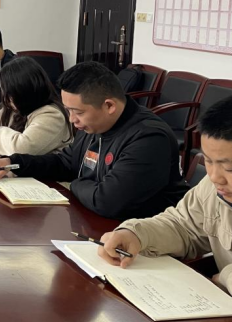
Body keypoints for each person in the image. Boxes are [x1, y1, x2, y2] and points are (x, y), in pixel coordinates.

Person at [0, 61, 189, 220]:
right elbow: (66, 163)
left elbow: (108, 201)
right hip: (95, 222)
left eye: (78, 112)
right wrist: (15, 163)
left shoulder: (149, 138)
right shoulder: (93, 126)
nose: (72, 120)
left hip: (142, 241)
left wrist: (73, 184)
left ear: (109, 106)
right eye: (68, 111)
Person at [97, 97, 232, 292]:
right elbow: (182, 226)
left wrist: (226, 276)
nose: (214, 177)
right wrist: (135, 234)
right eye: (208, 161)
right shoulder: (212, 188)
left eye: (229, 168)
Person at [0, 56, 73, 156]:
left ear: (24, 91)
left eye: (9, 93)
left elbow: (22, 148)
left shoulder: (52, 115)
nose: (6, 99)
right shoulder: (18, 107)